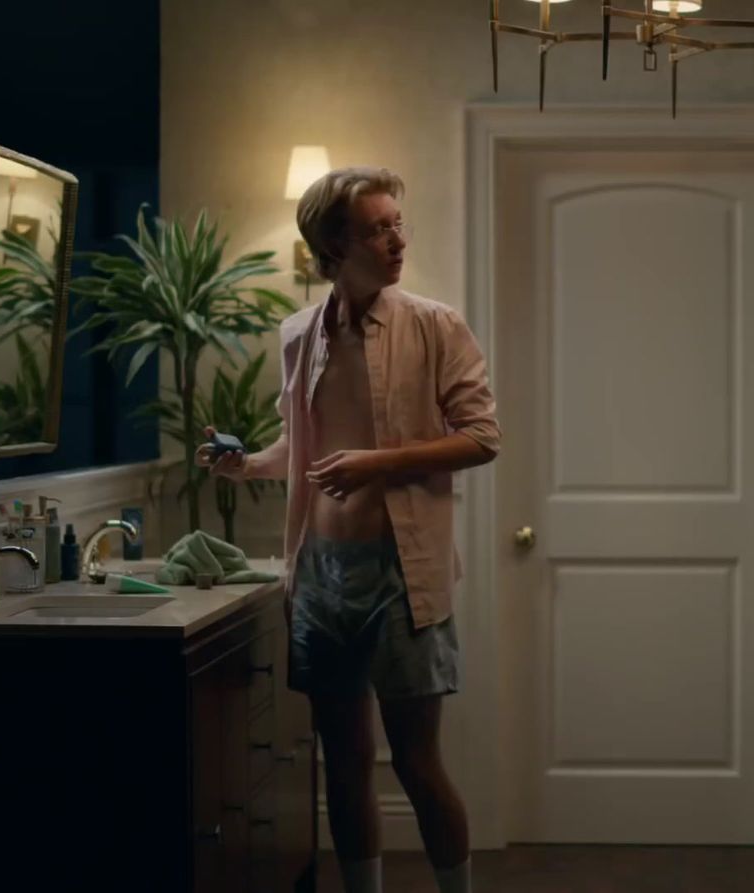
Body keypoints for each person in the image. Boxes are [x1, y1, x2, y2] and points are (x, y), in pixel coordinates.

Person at [195, 166, 499, 893]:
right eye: (377, 228)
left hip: (403, 571)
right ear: (333, 245)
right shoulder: (299, 333)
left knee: (418, 762)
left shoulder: (434, 323)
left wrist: (377, 464)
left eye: (398, 223)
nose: (397, 239)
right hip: (321, 573)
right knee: (344, 756)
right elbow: (301, 450)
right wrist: (245, 465)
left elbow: (484, 437)